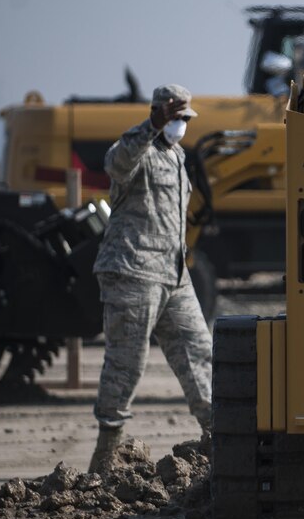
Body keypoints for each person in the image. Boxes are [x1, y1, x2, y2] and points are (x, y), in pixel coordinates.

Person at [88, 84, 213, 474]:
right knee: (126, 363)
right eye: (174, 118)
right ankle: (106, 456)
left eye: (184, 120)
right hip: (132, 270)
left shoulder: (176, 157)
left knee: (200, 352)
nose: (180, 126)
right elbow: (117, 164)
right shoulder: (138, 149)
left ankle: (220, 438)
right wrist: (150, 127)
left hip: (173, 274)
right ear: (158, 113)